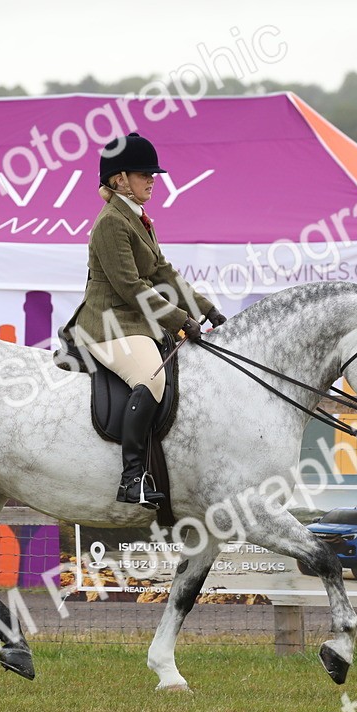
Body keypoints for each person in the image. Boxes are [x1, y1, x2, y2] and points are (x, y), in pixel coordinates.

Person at [62, 132, 226, 508]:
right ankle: (132, 478)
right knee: (151, 378)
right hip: (108, 322)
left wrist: (206, 309)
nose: (152, 180)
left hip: (134, 320)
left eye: (152, 174)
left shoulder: (137, 218)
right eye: (144, 174)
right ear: (120, 179)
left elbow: (163, 272)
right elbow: (130, 287)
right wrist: (181, 319)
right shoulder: (111, 223)